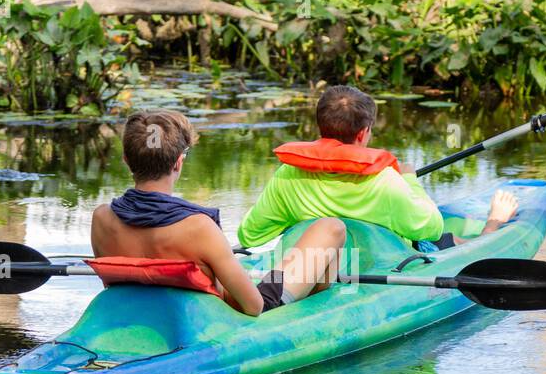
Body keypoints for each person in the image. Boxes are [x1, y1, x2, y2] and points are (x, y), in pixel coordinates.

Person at [91, 110, 346, 316]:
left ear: (126, 159)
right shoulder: (198, 227)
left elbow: (114, 286)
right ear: (179, 162)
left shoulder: (101, 218)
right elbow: (253, 307)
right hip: (218, 318)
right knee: (331, 229)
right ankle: (316, 311)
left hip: (144, 314)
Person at [237, 85, 523, 250]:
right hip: (381, 264)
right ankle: (494, 225)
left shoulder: (288, 174)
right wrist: (409, 179)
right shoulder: (384, 179)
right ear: (363, 133)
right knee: (450, 242)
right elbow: (431, 227)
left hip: (317, 268)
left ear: (320, 126)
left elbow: (249, 236)